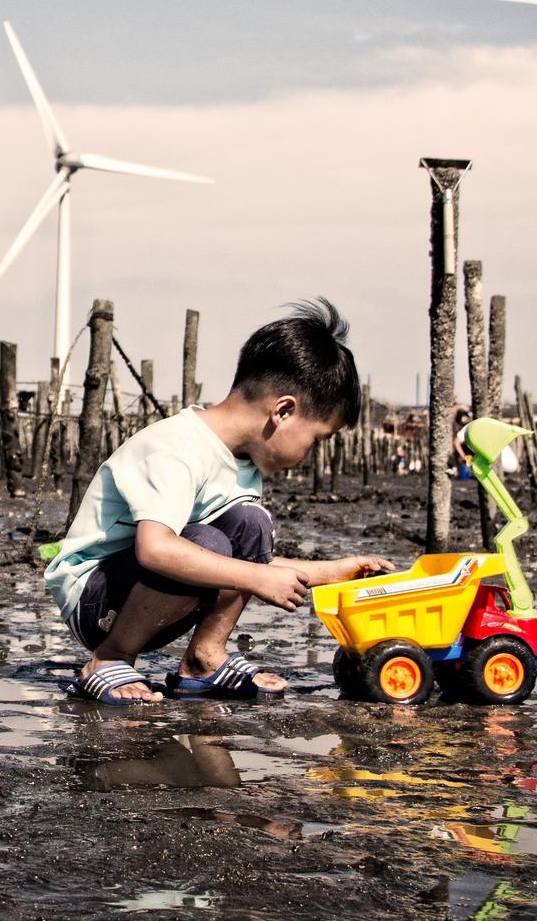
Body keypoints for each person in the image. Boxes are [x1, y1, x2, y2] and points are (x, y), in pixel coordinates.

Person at [45, 299, 393, 705]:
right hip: (96, 600)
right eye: (315, 440)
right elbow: (157, 550)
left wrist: (333, 572)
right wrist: (258, 579)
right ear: (282, 410)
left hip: (146, 595)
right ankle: (109, 659)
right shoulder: (176, 448)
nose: (309, 455)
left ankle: (203, 659)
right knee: (207, 544)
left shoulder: (242, 465)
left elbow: (249, 562)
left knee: (250, 523)